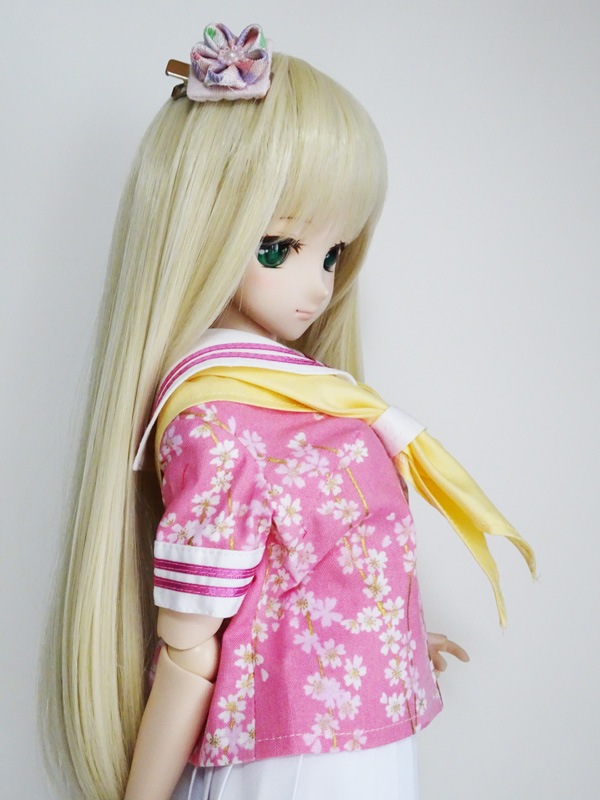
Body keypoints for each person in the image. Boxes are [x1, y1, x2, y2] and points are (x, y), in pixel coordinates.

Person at [41, 23, 534, 800]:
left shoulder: (303, 397)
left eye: (333, 255)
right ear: (202, 232)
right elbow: (191, 651)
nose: (318, 286)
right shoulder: (216, 422)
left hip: (364, 738)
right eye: (279, 247)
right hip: (289, 757)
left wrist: (384, 636)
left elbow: (315, 565)